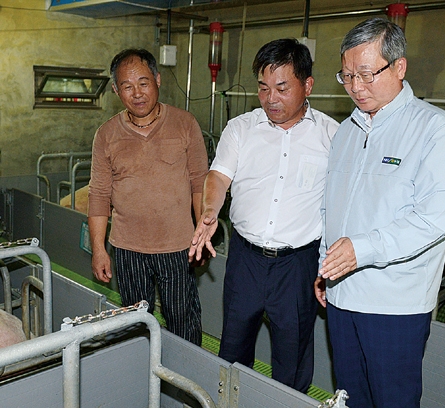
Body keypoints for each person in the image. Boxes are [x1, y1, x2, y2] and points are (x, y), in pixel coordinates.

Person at [314, 18, 445, 408]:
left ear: (399, 66)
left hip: (393, 306)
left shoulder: (437, 130)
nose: (355, 87)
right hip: (342, 295)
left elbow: (434, 218)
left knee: (392, 401)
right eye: (347, 76)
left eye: (367, 74)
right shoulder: (347, 131)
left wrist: (360, 251)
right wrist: (325, 265)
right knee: (349, 397)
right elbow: (330, 206)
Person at [190, 38, 339, 392]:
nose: (271, 98)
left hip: (299, 264)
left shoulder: (333, 136)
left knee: (293, 352)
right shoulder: (241, 128)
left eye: (282, 87)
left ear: (308, 85)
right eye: (263, 87)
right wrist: (210, 210)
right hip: (246, 260)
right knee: (233, 344)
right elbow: (218, 176)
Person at [88, 48, 208, 345]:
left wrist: (201, 236)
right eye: (127, 86)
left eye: (143, 83)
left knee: (183, 321)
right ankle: (143, 380)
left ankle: (185, 385)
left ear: (157, 79)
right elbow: (99, 195)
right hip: (127, 249)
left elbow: (199, 184)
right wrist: (99, 249)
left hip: (177, 246)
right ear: (116, 90)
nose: (137, 93)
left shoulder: (184, 124)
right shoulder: (107, 134)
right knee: (136, 323)